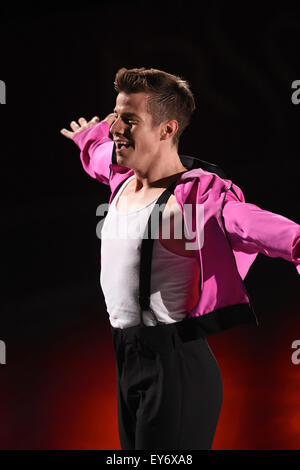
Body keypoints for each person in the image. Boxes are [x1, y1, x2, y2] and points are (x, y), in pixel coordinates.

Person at [60, 67, 300, 450]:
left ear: (167, 130)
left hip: (176, 368)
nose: (116, 128)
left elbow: (286, 237)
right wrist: (88, 135)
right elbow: (99, 154)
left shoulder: (201, 202)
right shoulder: (121, 177)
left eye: (130, 120)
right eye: (116, 115)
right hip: (126, 358)